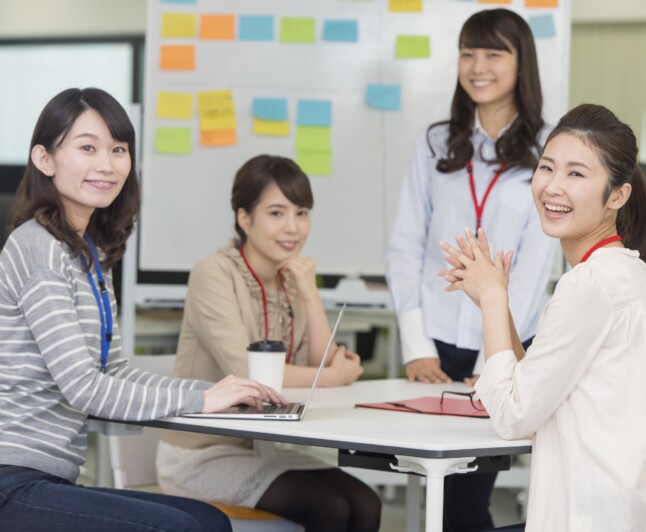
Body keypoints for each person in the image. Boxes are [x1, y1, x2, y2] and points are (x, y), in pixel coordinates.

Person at [0, 87, 286, 531]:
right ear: (45, 159)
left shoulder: (88, 255)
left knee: (206, 519)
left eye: (118, 149)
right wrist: (203, 399)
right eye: (87, 148)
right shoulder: (37, 247)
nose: (107, 164)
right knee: (189, 528)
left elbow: (113, 372)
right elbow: (83, 388)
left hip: (48, 478)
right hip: (12, 480)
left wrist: (217, 394)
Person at [439, 103, 646, 531]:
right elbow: (536, 390)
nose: (552, 187)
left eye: (576, 174)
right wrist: (493, 304)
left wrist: (496, 299)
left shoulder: (589, 285)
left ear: (617, 196)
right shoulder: (632, 271)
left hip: (589, 517)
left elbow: (513, 417)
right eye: (547, 168)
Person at [385, 8, 558, 530]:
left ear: (521, 62)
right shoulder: (436, 142)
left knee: (467, 501)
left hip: (504, 348)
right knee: (441, 492)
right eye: (467, 53)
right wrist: (416, 347)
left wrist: (495, 354)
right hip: (437, 343)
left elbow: (535, 260)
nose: (477, 66)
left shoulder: (549, 147)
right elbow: (405, 246)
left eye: (493, 53)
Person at [156, 154, 381, 532]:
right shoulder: (213, 273)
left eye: (302, 212)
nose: (292, 227)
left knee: (365, 504)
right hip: (201, 453)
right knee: (329, 508)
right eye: (276, 213)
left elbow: (324, 363)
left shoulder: (292, 278)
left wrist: (310, 294)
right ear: (245, 218)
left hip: (264, 446)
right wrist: (334, 377)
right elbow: (248, 372)